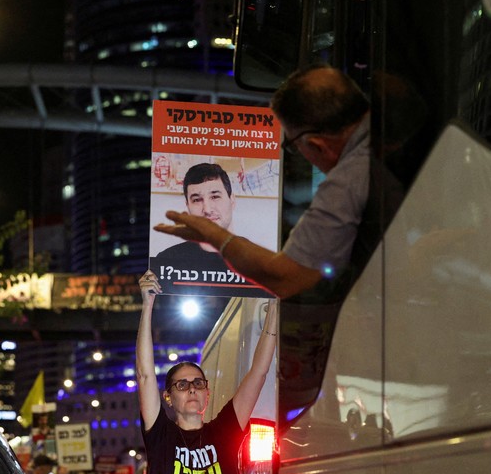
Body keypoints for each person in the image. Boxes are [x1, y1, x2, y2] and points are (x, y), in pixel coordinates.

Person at [154, 64, 370, 299]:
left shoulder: (347, 182)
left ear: (317, 144)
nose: (207, 208)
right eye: (197, 199)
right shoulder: (389, 135)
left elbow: (286, 278)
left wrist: (212, 235)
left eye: (292, 146)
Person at [135, 269, 278, 474]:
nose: (192, 389)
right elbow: (145, 374)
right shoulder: (160, 435)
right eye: (182, 385)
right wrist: (147, 306)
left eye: (198, 384)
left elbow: (259, 373)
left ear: (207, 394)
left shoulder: (225, 430)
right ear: (168, 397)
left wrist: (275, 306)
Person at [155, 162, 236, 274]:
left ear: (232, 200)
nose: (207, 210)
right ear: (188, 206)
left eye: (215, 197)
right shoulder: (167, 260)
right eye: (197, 200)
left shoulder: (257, 261)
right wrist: (147, 291)